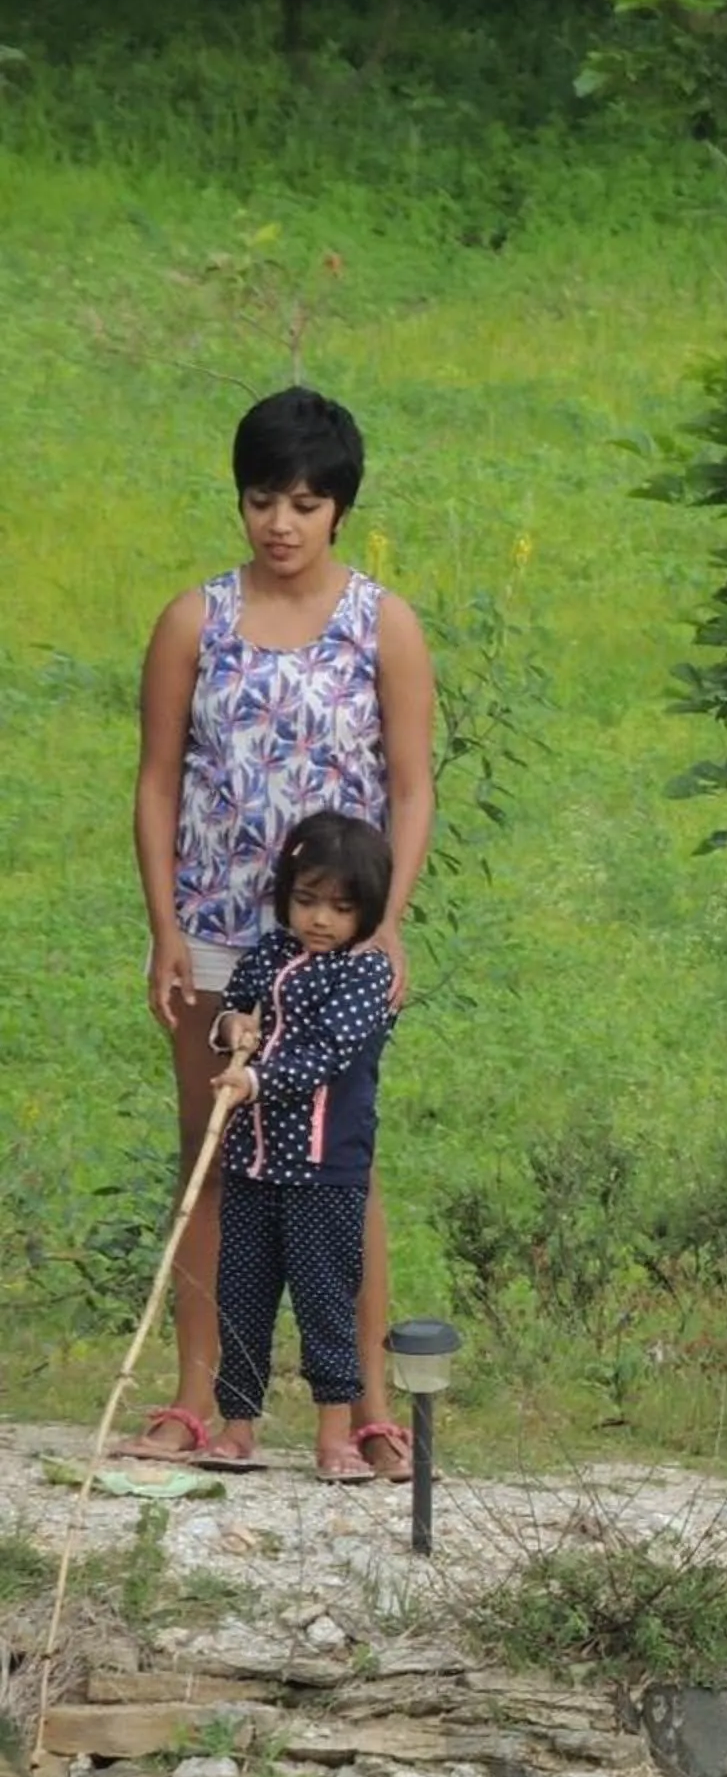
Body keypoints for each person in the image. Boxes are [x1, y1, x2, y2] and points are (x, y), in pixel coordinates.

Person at [125, 388, 435, 1475]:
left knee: (340, 1166)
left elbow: (410, 787)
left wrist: (385, 927)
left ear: (340, 507)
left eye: (306, 501)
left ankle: (366, 1408)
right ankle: (198, 1399)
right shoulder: (193, 620)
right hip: (215, 933)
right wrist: (167, 927)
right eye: (263, 499)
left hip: (341, 949)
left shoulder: (380, 622)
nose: (282, 523)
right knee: (214, 1159)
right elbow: (161, 781)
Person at [203, 815, 402, 1479]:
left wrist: (254, 1080)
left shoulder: (367, 974)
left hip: (324, 1170)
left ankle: (335, 1437)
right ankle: (236, 1428)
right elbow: (233, 1010)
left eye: (341, 908)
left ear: (367, 910)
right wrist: (231, 1027)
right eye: (307, 901)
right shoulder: (267, 955)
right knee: (243, 1295)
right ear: (286, 895)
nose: (320, 919)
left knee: (324, 1300)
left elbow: (326, 1056)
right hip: (252, 1165)